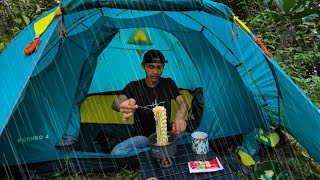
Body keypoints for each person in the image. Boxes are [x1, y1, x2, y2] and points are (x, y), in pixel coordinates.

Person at [111, 49, 189, 154]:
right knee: (117, 151)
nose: (155, 72)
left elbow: (183, 102)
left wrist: (180, 114)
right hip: (143, 138)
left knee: (190, 136)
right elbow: (116, 103)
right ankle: (156, 151)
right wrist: (121, 105)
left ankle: (151, 152)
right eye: (151, 67)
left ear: (163, 67)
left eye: (159, 68)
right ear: (143, 66)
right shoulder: (134, 86)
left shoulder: (168, 83)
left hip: (166, 134)